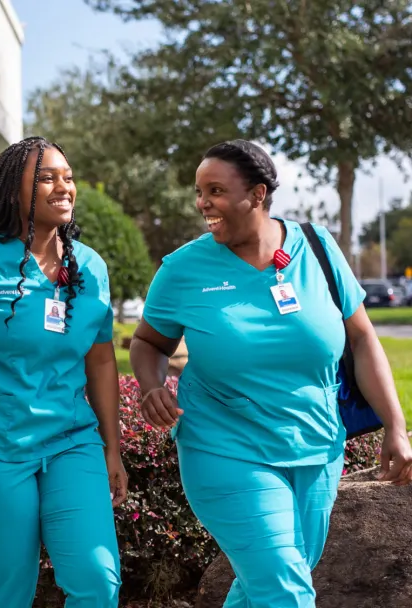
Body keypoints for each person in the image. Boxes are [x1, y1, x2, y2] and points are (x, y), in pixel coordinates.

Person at [130, 140, 412, 608]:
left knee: (267, 582)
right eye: (199, 192)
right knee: (285, 587)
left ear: (258, 194)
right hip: (224, 447)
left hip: (317, 448)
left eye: (216, 190)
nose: (203, 203)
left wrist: (397, 428)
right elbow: (148, 342)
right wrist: (152, 384)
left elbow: (362, 340)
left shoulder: (318, 247)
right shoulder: (183, 269)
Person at [0, 136, 126, 607]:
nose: (64, 187)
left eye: (68, 177)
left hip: (71, 442)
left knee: (98, 580)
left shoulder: (90, 268)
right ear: (14, 191)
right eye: (47, 178)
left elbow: (99, 359)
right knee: (7, 589)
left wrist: (112, 448)